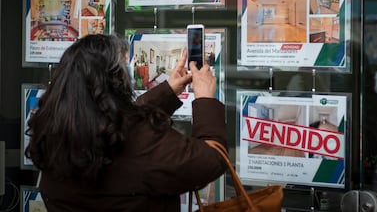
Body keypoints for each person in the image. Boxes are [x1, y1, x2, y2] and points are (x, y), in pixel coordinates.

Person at [25, 34, 227, 212]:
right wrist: (205, 99)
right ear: (115, 82)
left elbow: (118, 120)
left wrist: (167, 91)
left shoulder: (52, 133)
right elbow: (213, 159)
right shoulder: (140, 141)